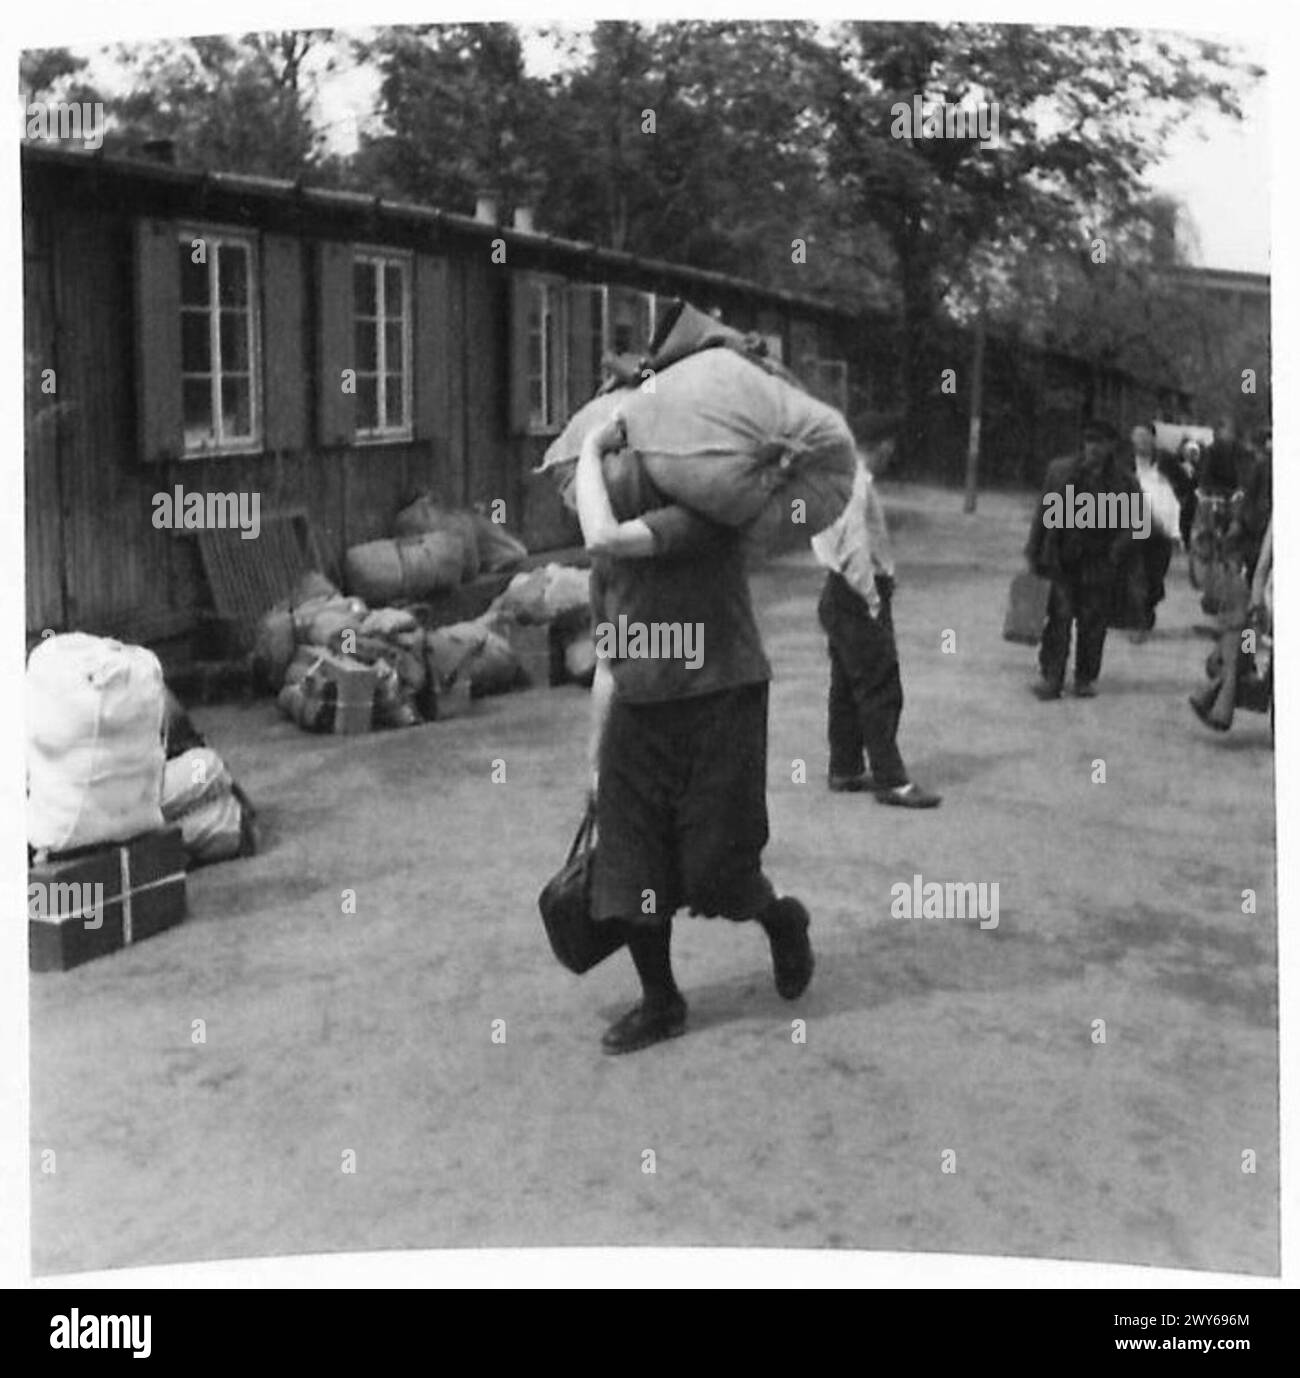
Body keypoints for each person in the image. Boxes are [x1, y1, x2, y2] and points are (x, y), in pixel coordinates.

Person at [576, 414, 814, 1055]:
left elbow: (603, 536)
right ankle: (662, 1002)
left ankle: (780, 917)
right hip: (639, 711)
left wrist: (590, 448)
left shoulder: (705, 522)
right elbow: (608, 662)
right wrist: (596, 759)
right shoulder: (612, 574)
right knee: (631, 868)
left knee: (716, 869)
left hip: (720, 702)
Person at [811, 448, 940, 806]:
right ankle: (891, 780)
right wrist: (871, 597)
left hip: (837, 588)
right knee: (880, 684)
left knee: (847, 684)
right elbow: (853, 543)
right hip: (855, 590)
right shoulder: (854, 480)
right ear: (881, 444)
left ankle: (846, 767)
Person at [1025, 419, 1139, 699]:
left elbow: (1136, 525)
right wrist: (1033, 551)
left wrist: (1116, 551)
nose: (1093, 448)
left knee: (1093, 622)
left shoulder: (1124, 482)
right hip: (1062, 558)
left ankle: (1085, 677)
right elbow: (1043, 514)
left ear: (1111, 446)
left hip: (1099, 560)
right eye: (1089, 441)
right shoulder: (1060, 472)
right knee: (1059, 619)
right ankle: (1051, 676)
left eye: (1100, 442)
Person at [1123, 421, 1183, 641]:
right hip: (1131, 528)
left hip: (1162, 532)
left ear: (1153, 439)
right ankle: (1136, 622)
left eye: (1145, 437)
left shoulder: (1167, 462)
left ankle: (1147, 610)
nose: (1141, 442)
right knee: (1134, 576)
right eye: (1137, 437)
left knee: (1155, 577)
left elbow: (1186, 490)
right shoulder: (1124, 464)